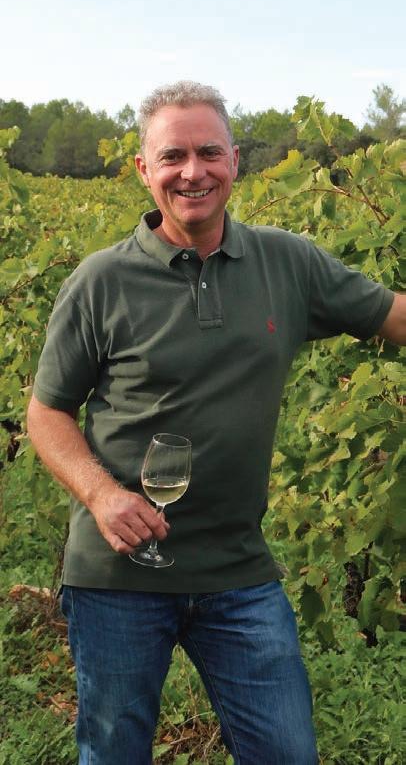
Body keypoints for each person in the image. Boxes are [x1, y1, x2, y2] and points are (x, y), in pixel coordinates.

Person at [27, 81, 406, 765]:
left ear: (235, 160)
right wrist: (102, 495)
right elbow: (46, 411)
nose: (192, 171)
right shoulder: (100, 281)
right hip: (117, 576)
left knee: (287, 752)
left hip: (237, 569)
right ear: (143, 170)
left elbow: (393, 316)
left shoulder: (289, 263)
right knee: (113, 754)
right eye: (172, 156)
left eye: (208, 152)